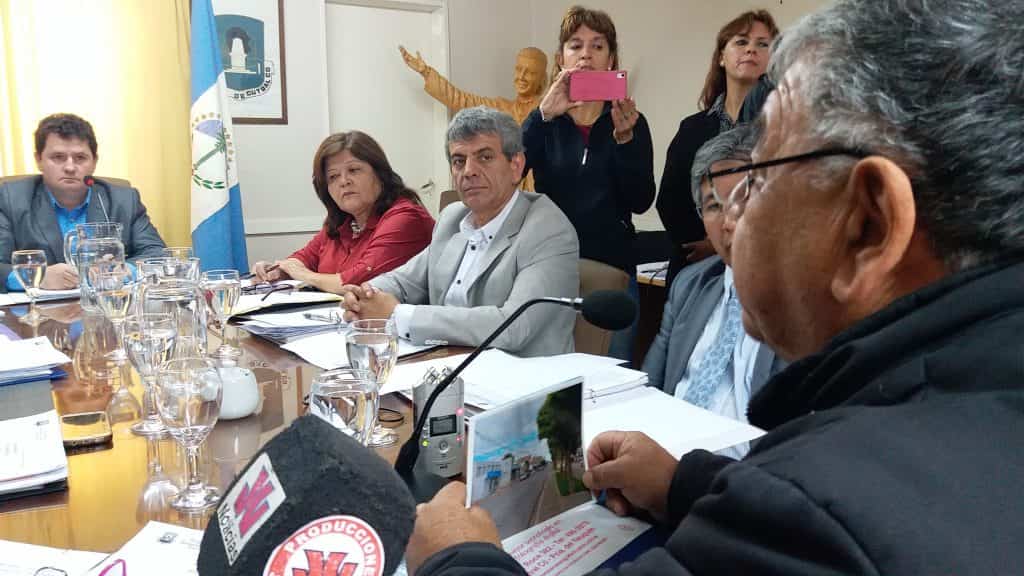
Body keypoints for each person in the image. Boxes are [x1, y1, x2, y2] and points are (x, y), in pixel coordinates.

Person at [403, 0, 1024, 573]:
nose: (729, 220)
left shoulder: (823, 502)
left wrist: (460, 557)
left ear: (870, 225)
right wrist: (686, 485)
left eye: (757, 180)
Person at [342, 106, 578, 357]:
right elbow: (404, 281)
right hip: (446, 365)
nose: (468, 171)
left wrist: (400, 315)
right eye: (459, 161)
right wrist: (364, 297)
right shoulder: (452, 218)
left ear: (516, 166)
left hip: (523, 375)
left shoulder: (547, 227)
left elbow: (512, 327)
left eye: (484, 157)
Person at [522, 5, 655, 360]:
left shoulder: (630, 121)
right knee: (548, 370)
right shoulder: (546, 121)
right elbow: (509, 174)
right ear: (560, 58)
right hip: (550, 266)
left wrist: (625, 142)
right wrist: (542, 116)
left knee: (613, 371)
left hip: (612, 270)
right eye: (576, 45)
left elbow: (641, 200)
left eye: (597, 46)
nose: (586, 55)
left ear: (611, 60)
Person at [642, 127, 783, 459]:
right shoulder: (691, 285)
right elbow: (648, 387)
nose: (728, 222)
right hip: (662, 457)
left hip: (747, 473)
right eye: (713, 207)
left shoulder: (811, 301)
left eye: (742, 200)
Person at [656, 10, 777, 286]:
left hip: (762, 268)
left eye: (762, 44)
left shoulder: (784, 127)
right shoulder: (692, 127)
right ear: (722, 57)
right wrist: (707, 241)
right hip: (695, 267)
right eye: (741, 41)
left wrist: (725, 242)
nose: (751, 49)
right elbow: (670, 200)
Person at [250, 131, 434, 294]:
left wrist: (302, 274)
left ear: (380, 174)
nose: (344, 181)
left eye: (354, 170)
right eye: (333, 176)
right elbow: (304, 258)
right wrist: (277, 271)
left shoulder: (406, 217)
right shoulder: (341, 223)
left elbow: (360, 281)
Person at [0, 113, 166, 293]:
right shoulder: (11, 198)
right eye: (58, 157)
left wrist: (127, 271)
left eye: (80, 158)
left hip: (106, 304)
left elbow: (156, 253)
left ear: (94, 162)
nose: (70, 167)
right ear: (38, 160)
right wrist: (36, 276)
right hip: (35, 309)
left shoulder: (124, 200)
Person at [399, 45, 548, 191]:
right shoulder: (501, 108)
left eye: (530, 72)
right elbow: (461, 99)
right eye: (519, 69)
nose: (521, 76)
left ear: (541, 78)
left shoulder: (548, 111)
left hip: (538, 190)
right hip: (504, 190)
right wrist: (426, 72)